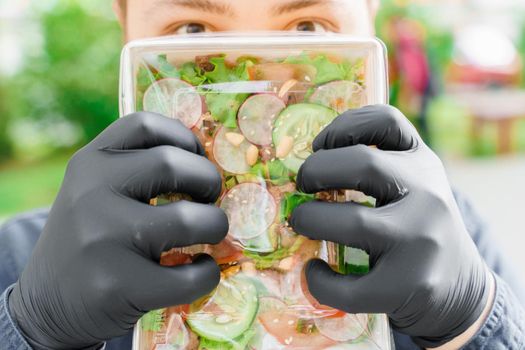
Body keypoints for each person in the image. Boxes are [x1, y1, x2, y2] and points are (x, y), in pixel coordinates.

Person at [1, 1, 524, 349]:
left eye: (307, 27)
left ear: (371, 19)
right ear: (127, 32)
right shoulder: (20, 257)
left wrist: (474, 322)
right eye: (192, 29)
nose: (256, 80)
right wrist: (31, 330)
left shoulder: (453, 237)